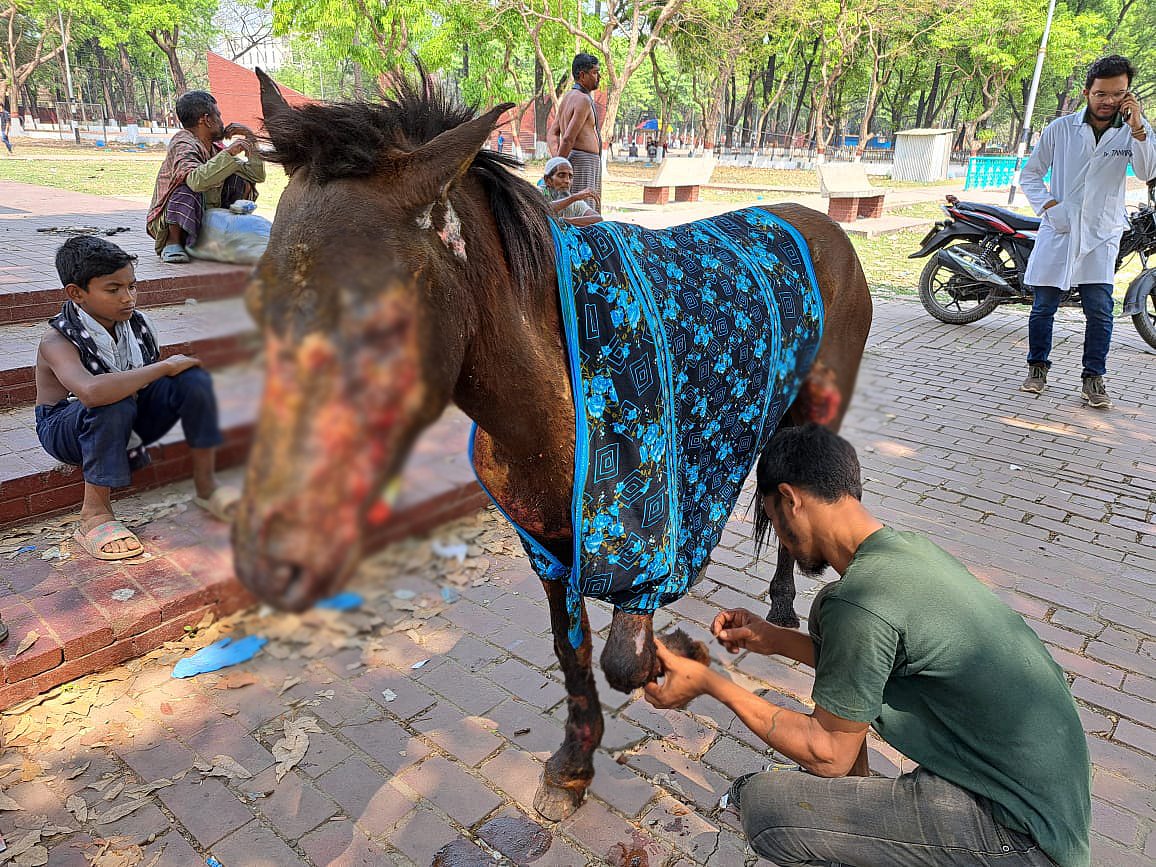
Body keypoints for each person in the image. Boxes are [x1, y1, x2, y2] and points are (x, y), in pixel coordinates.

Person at [645, 424, 1091, 867]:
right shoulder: (904, 552)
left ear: (791, 499)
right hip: (1046, 806)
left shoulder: (860, 604)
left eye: (774, 521)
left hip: (1018, 836)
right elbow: (875, 657)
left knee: (769, 809)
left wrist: (710, 683)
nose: (780, 538)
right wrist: (775, 640)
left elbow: (829, 755)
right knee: (826, 611)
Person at [35, 237, 239, 561]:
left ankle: (207, 485)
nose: (128, 298)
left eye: (132, 286)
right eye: (113, 289)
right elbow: (90, 391)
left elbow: (143, 382)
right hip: (63, 428)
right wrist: (165, 366)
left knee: (192, 380)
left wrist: (170, 373)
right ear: (77, 293)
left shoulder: (139, 325)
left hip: (122, 412)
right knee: (110, 398)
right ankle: (94, 515)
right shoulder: (57, 339)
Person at [1019, 54, 1156, 408]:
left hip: (1101, 233)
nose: (1109, 101)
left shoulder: (1135, 131)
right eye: (1101, 94)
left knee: (1099, 309)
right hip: (1060, 230)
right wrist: (1050, 208)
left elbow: (1146, 171)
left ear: (1128, 94)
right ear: (1087, 92)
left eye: (1118, 93)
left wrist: (1139, 127)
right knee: (1043, 306)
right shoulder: (1061, 128)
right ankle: (1037, 368)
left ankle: (1093, 379)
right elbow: (1031, 174)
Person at [147, 90, 265, 264]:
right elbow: (195, 181)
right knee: (185, 187)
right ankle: (173, 243)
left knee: (238, 179)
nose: (222, 122)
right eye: (218, 116)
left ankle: (221, 234)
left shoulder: (215, 147)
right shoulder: (183, 143)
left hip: (203, 213)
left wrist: (251, 139)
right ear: (207, 120)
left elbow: (256, 175)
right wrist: (231, 152)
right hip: (169, 220)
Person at [547, 53, 602, 204]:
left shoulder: (568, 97)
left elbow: (552, 133)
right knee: (584, 211)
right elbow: (568, 138)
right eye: (595, 72)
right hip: (583, 162)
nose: (599, 76)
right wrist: (558, 164)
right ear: (582, 75)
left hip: (578, 161)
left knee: (576, 208)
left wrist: (557, 159)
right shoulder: (582, 99)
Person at [538, 157, 602, 226]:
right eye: (561, 175)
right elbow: (543, 209)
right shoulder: (538, 192)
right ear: (548, 180)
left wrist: (564, 221)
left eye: (570, 177)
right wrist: (573, 198)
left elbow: (598, 219)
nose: (567, 181)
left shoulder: (574, 201)